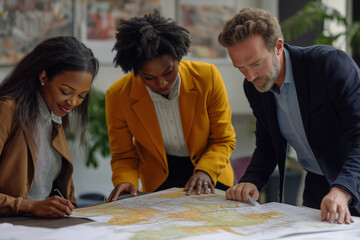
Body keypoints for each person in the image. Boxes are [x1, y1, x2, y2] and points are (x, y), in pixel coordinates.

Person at [218, 7, 360, 224]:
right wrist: (251, 181)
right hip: (319, 185)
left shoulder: (330, 65)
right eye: (241, 68)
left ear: (278, 46)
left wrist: (342, 189)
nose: (250, 76)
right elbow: (267, 143)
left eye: (256, 63)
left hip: (352, 180)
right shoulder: (255, 86)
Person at [106, 10, 236, 201]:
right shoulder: (118, 95)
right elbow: (124, 155)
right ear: (135, 71)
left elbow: (223, 140)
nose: (162, 83)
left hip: (212, 175)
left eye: (168, 72)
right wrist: (125, 180)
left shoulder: (207, 77)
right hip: (159, 182)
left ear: (178, 58)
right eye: (149, 78)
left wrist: (206, 171)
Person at [0, 36, 99, 218]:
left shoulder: (54, 116)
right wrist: (28, 206)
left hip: (43, 226)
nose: (73, 102)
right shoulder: (7, 109)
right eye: (66, 91)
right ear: (44, 76)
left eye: (82, 96)